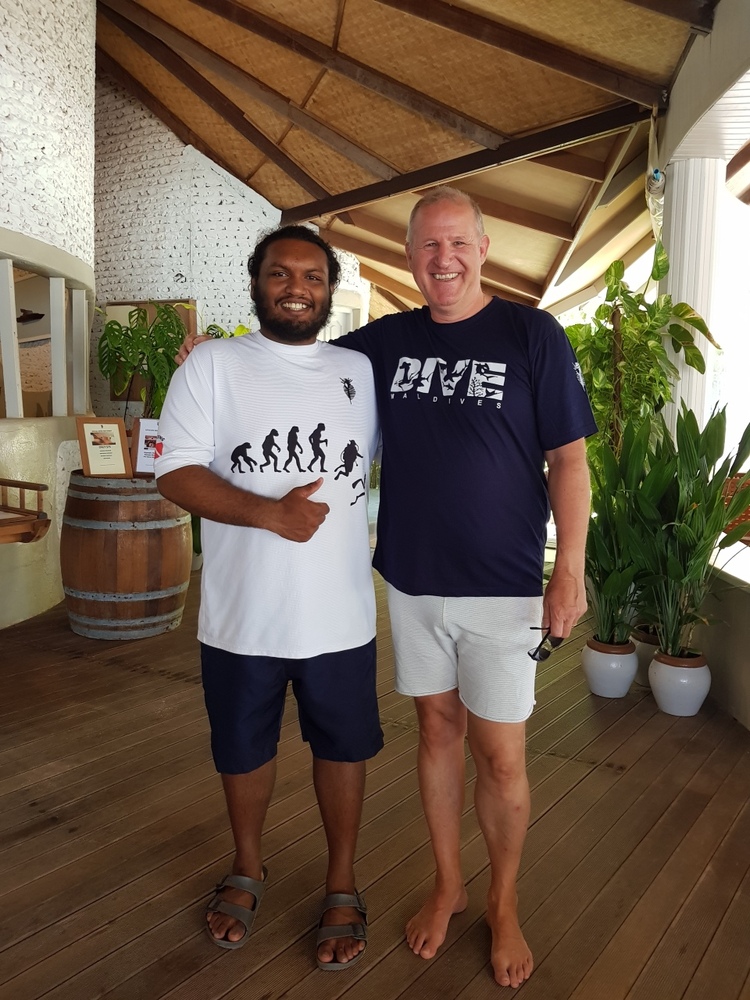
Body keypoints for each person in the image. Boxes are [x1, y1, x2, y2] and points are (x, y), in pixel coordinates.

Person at [178, 188, 595, 988]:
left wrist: (568, 569)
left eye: (458, 243)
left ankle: (504, 904)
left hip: (505, 587)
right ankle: (448, 886)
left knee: (500, 756)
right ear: (409, 257)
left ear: (483, 247)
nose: (444, 259)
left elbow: (569, 459)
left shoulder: (531, 334)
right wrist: (209, 355)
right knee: (436, 732)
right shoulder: (383, 344)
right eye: (428, 246)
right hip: (410, 582)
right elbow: (292, 352)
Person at [156, 226, 382, 970]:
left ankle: (341, 881)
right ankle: (247, 867)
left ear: (330, 289)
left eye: (312, 276)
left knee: (343, 748)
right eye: (280, 273)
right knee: (243, 748)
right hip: (241, 615)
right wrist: (269, 514)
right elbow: (174, 470)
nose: (296, 288)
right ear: (256, 282)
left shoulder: (360, 369)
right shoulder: (213, 365)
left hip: (340, 614)